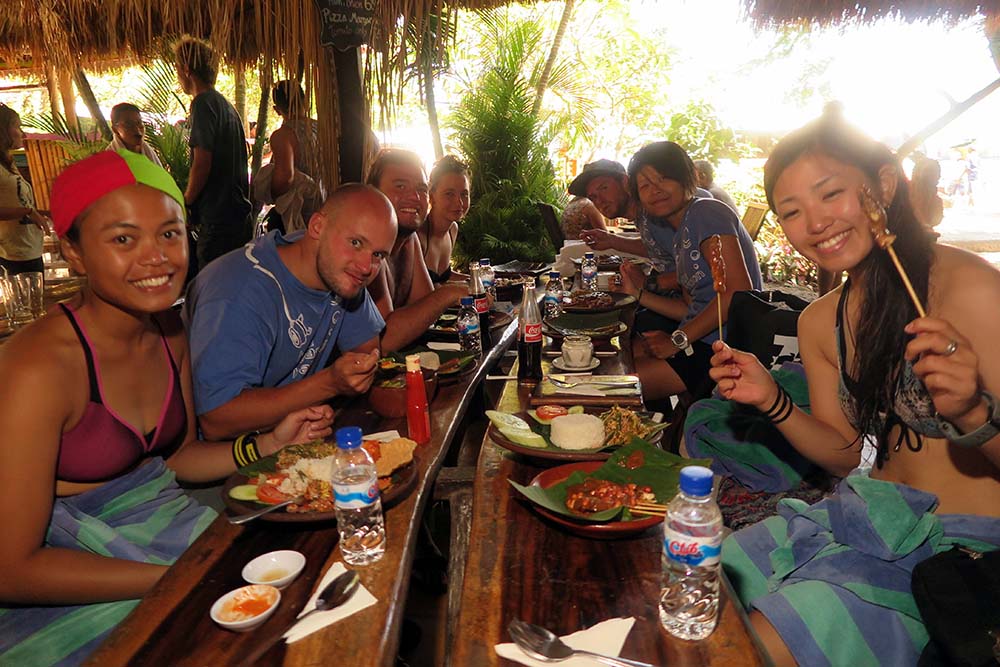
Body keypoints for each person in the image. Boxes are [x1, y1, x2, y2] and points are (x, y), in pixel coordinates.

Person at [0, 150, 333, 666]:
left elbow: (176, 460)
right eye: (123, 239)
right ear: (74, 251)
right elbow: (12, 569)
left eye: (170, 233)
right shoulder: (36, 368)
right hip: (77, 571)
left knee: (316, 590)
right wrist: (183, 581)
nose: (156, 257)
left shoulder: (169, 329)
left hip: (168, 530)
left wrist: (267, 444)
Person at [709, 112, 1000, 667]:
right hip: (863, 516)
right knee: (698, 579)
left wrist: (973, 413)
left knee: (747, 648)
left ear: (882, 187)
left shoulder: (973, 291)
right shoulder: (823, 320)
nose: (814, 222)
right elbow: (845, 454)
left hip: (958, 550)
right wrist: (771, 398)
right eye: (791, 212)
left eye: (830, 194)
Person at [184, 183, 394, 440]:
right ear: (317, 226)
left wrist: (355, 372)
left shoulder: (338, 269)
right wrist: (329, 383)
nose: (366, 266)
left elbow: (367, 348)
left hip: (292, 440)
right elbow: (217, 420)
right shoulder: (238, 291)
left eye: (378, 255)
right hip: (222, 464)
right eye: (355, 242)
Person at [617, 141, 761, 400]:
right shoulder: (680, 232)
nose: (656, 191)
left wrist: (677, 340)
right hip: (699, 341)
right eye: (645, 186)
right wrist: (639, 294)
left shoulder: (706, 212)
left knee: (611, 386)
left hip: (723, 349)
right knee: (619, 352)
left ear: (688, 178)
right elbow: (689, 307)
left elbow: (739, 292)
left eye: (663, 179)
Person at [366, 148, 469, 351]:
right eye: (401, 186)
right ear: (373, 191)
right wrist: (448, 293)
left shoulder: (408, 239)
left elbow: (425, 308)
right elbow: (383, 339)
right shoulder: (366, 246)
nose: (414, 196)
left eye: (421, 188)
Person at [174, 35, 252, 269]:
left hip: (218, 220)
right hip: (237, 217)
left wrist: (186, 201)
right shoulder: (225, 106)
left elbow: (202, 162)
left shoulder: (203, 104)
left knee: (213, 288)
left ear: (186, 69)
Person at [255, 80, 324, 235]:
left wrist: (270, 192)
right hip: (326, 206)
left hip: (299, 213)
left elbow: (285, 177)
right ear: (305, 101)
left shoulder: (283, 136)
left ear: (277, 110)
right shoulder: (322, 130)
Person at [0, 104, 51, 276]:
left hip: (28, 249)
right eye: (16, 126)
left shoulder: (8, 163)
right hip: (12, 254)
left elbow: (16, 201)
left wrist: (46, 213)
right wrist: (28, 211)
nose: (22, 133)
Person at [419, 155, 470, 284]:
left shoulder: (452, 230)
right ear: (432, 197)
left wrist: (476, 280)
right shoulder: (418, 236)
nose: (459, 202)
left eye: (464, 194)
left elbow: (444, 277)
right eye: (449, 194)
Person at [106, 103, 162, 167]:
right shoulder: (110, 161)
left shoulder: (147, 151)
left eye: (139, 123)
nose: (137, 129)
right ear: (115, 130)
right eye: (128, 124)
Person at [909, 153, 944, 233]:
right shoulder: (911, 192)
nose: (938, 176)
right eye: (933, 173)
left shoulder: (933, 197)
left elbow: (935, 219)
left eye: (937, 173)